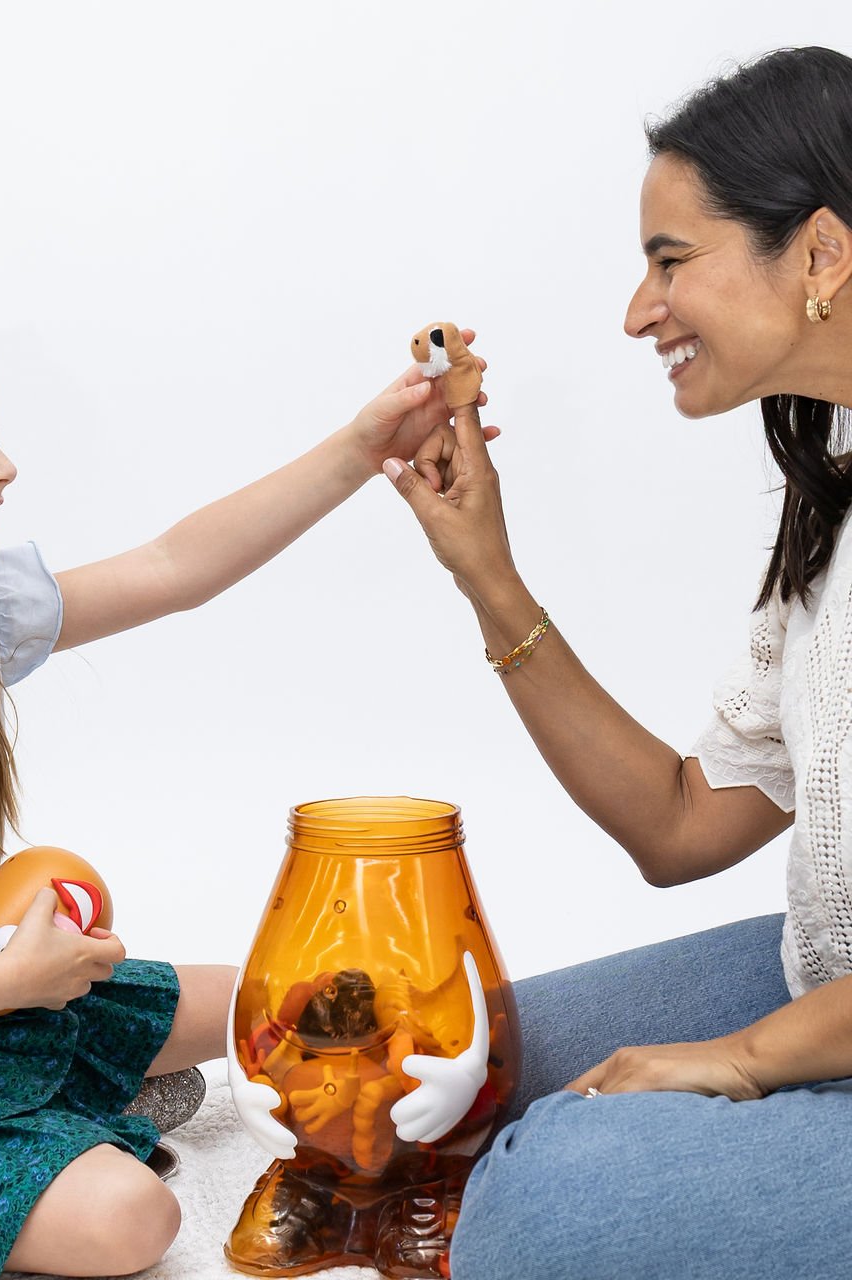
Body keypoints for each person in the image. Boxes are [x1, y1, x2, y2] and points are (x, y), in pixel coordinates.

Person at [0, 275, 490, 1280]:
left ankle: (49, 1103)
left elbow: (178, 563)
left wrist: (365, 448)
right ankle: (37, 1126)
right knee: (131, 1220)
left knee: (303, 1006)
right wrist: (3, 980)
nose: (2, 467)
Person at [382, 45, 852, 1279]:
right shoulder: (837, 487)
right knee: (452, 1059)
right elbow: (682, 826)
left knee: (546, 1203)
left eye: (669, 260)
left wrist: (741, 1058)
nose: (638, 311)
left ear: (818, 254)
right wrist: (487, 573)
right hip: (834, 984)